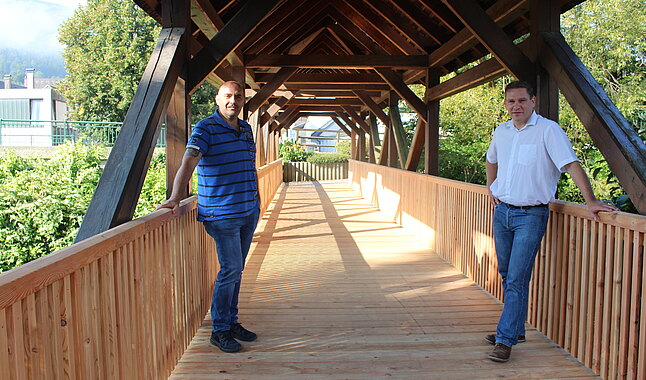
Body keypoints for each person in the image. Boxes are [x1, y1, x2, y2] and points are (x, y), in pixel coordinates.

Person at [484, 81, 617, 362]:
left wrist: (591, 201)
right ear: (506, 104)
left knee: (518, 278)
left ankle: (505, 340)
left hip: (532, 214)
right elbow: (491, 159)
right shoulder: (502, 131)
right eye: (511, 102)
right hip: (503, 211)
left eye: (522, 100)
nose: (516, 106)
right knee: (508, 274)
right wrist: (490, 186)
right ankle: (515, 328)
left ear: (533, 101)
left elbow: (569, 164)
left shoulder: (548, 130)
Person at [158, 81, 260, 353]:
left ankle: (232, 321)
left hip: (248, 211)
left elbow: (248, 166)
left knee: (236, 270)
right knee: (230, 270)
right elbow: (188, 162)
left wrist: (256, 201)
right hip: (221, 214)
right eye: (228, 96)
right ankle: (220, 330)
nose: (233, 101)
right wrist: (175, 197)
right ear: (217, 98)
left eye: (238, 97)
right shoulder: (205, 128)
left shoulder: (247, 129)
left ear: (242, 100)